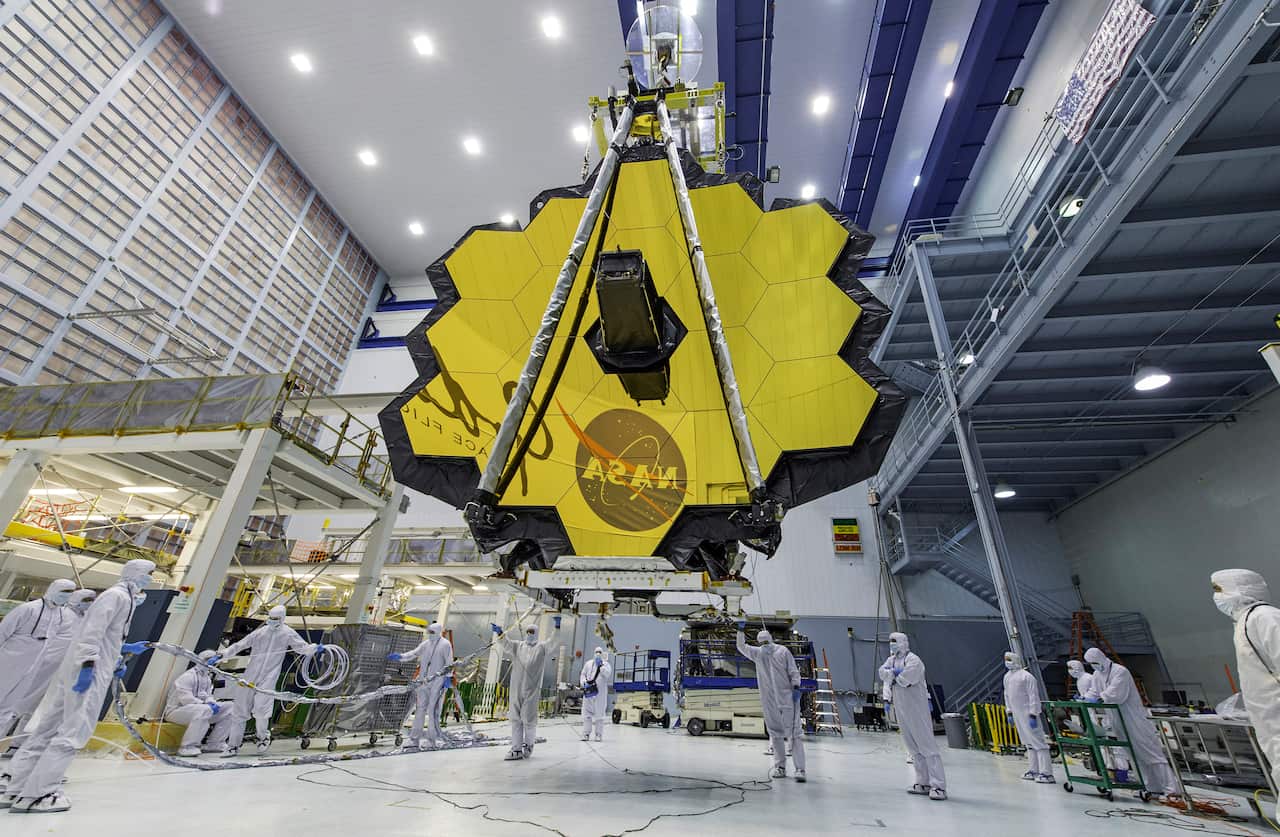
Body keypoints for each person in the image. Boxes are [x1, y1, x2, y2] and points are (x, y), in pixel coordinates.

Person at [0, 559, 154, 813]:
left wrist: (118, 656)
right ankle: (40, 794)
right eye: (149, 573)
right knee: (74, 732)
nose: (150, 578)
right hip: (88, 673)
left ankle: (16, 788)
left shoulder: (122, 598)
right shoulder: (117, 596)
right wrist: (88, 666)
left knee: (47, 730)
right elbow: (90, 634)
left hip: (85, 668)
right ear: (137, 573)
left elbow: (105, 636)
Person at [1211, 569, 1280, 821]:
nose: (1216, 597)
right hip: (1270, 721)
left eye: (1219, 590)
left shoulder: (1265, 617)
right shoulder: (1244, 622)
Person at [206, 604, 319, 756]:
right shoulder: (261, 632)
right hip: (250, 675)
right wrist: (222, 655)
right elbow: (240, 645)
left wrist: (314, 648)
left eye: (276, 619)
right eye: (270, 618)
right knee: (239, 711)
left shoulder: (287, 633)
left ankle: (263, 737)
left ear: (282, 618)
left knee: (261, 710)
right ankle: (233, 746)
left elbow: (302, 648)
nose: (272, 621)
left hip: (269, 677)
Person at [0, 589, 96, 755]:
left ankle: (17, 745)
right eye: (86, 599)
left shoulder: (83, 620)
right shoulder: (62, 614)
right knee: (17, 705)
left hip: (59, 670)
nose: (89, 603)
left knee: (36, 709)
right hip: (41, 666)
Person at [1084, 646, 1179, 798]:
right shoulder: (1097, 674)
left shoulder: (1120, 671)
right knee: (1134, 755)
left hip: (1134, 719)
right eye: (1090, 664)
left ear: (1101, 658)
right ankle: (1149, 786)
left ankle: (1171, 790)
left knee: (1150, 753)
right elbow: (1094, 692)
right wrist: (1085, 698)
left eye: (1094, 662)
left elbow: (1117, 694)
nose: (1093, 666)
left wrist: (1101, 698)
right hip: (1117, 719)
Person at [880, 631, 946, 800]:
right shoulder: (892, 660)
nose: (892, 644)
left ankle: (938, 786)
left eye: (894, 641)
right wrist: (894, 674)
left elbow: (906, 679)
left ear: (902, 642)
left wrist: (893, 675)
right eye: (890, 641)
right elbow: (882, 673)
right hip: (901, 708)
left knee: (927, 746)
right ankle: (922, 782)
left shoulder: (914, 660)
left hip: (917, 709)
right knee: (913, 747)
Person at [736, 624, 806, 782]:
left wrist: (796, 686)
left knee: (794, 734)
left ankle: (800, 769)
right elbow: (741, 647)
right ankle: (780, 767)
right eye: (762, 644)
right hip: (769, 700)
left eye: (766, 643)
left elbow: (793, 671)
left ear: (771, 640)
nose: (764, 646)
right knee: (775, 734)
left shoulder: (783, 652)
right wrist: (740, 631)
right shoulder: (758, 653)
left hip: (787, 698)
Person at [490, 621, 555, 760]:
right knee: (515, 719)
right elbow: (506, 644)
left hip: (531, 690)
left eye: (532, 631)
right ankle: (516, 749)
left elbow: (553, 642)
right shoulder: (518, 646)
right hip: (516, 688)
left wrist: (557, 627)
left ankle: (529, 746)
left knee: (528, 719)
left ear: (536, 633)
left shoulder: (542, 647)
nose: (529, 634)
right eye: (528, 631)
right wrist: (500, 633)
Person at [388, 621, 453, 750]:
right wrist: (401, 656)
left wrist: (447, 677)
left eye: (432, 632)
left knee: (433, 711)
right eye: (429, 632)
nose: (430, 634)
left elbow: (449, 662)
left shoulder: (445, 644)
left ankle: (431, 740)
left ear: (438, 632)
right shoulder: (426, 644)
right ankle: (414, 739)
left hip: (437, 682)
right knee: (420, 710)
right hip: (423, 681)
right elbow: (414, 653)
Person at [164, 650, 235, 757]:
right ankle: (187, 747)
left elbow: (208, 695)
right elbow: (186, 699)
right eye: (210, 661)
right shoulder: (188, 676)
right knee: (205, 710)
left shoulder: (206, 678)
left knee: (232, 708)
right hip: (176, 712)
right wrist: (205, 704)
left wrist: (212, 702)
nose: (213, 665)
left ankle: (215, 743)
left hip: (199, 711)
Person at [1003, 651, 1053, 783]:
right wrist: (1009, 712)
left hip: (1028, 714)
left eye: (1009, 660)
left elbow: (1033, 696)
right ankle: (1033, 770)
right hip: (1017, 714)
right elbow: (1007, 695)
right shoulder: (1007, 677)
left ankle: (1047, 773)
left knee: (1039, 743)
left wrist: (1033, 714)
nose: (1007, 662)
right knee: (1028, 743)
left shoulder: (1027, 676)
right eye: (1006, 660)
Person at [579, 647, 612, 742]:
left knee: (599, 715)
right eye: (596, 652)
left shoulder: (606, 664)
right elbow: (583, 674)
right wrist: (583, 682)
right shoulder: (588, 664)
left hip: (600, 694)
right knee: (587, 714)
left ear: (602, 654)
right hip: (589, 692)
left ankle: (598, 734)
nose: (598, 654)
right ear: (594, 653)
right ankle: (586, 734)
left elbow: (607, 674)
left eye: (599, 652)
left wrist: (601, 666)